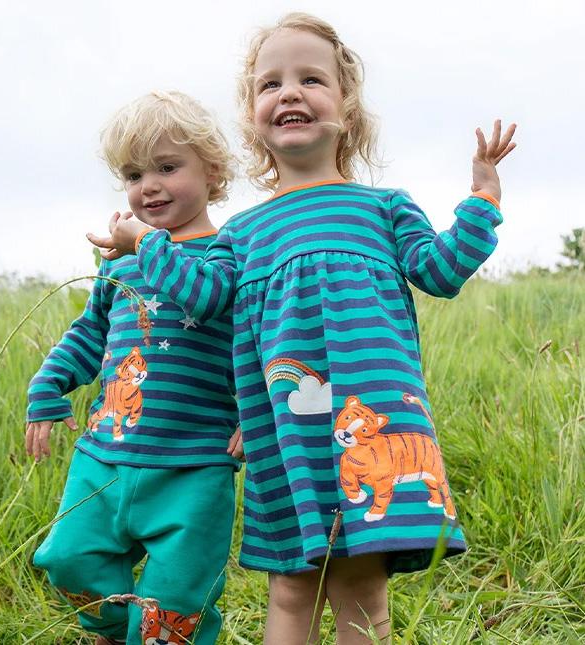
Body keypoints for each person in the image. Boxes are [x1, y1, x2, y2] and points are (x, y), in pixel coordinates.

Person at [88, 14, 517, 644]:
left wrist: (483, 201)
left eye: (311, 79)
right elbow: (204, 298)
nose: (289, 92)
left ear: (347, 106)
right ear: (253, 117)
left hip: (376, 426)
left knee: (361, 585)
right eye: (271, 84)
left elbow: (442, 269)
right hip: (283, 433)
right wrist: (146, 244)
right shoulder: (242, 233)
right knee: (291, 584)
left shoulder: (383, 207)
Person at [26, 90, 243, 645]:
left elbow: (206, 298)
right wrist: (48, 384)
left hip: (194, 464)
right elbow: (90, 333)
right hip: (106, 454)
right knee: (68, 559)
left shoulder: (227, 253)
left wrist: (144, 242)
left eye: (167, 168)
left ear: (212, 171)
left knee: (177, 600)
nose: (148, 186)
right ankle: (117, 630)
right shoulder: (120, 265)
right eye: (133, 174)